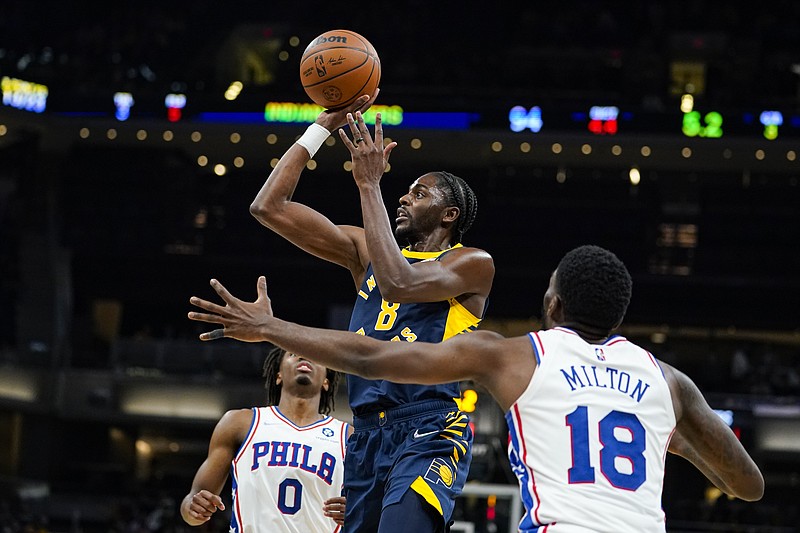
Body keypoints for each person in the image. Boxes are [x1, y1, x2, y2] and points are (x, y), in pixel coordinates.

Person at [187, 244, 764, 532]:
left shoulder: (511, 355)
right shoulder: (668, 381)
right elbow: (747, 484)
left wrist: (269, 327)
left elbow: (371, 355)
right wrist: (673, 440)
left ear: (552, 304)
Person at [248, 90, 495, 532]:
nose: (403, 199)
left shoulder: (471, 263)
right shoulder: (365, 251)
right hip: (364, 434)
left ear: (449, 215)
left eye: (419, 194)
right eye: (404, 192)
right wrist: (320, 129)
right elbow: (268, 208)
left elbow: (400, 284)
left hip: (428, 426)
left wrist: (369, 184)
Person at [180, 346, 351, 532]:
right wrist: (192, 508)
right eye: (293, 354)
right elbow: (193, 502)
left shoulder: (348, 436)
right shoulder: (240, 423)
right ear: (278, 375)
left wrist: (357, 512)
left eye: (315, 355)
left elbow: (369, 507)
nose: (304, 357)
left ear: (326, 381)